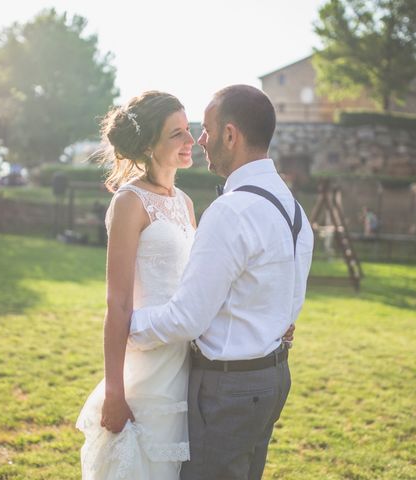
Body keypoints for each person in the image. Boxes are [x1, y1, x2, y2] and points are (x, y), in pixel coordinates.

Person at [128, 85, 314, 480]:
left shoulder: (231, 211)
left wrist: (128, 327)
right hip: (273, 378)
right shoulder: (292, 208)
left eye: (208, 130)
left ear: (231, 135)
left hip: (227, 391)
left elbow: (186, 319)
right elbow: (290, 297)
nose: (201, 140)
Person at [76, 91, 197, 479]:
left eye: (188, 130)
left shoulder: (186, 203)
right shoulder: (130, 202)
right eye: (176, 134)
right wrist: (115, 391)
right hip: (147, 368)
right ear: (148, 145)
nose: (190, 140)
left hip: (189, 363)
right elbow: (117, 304)